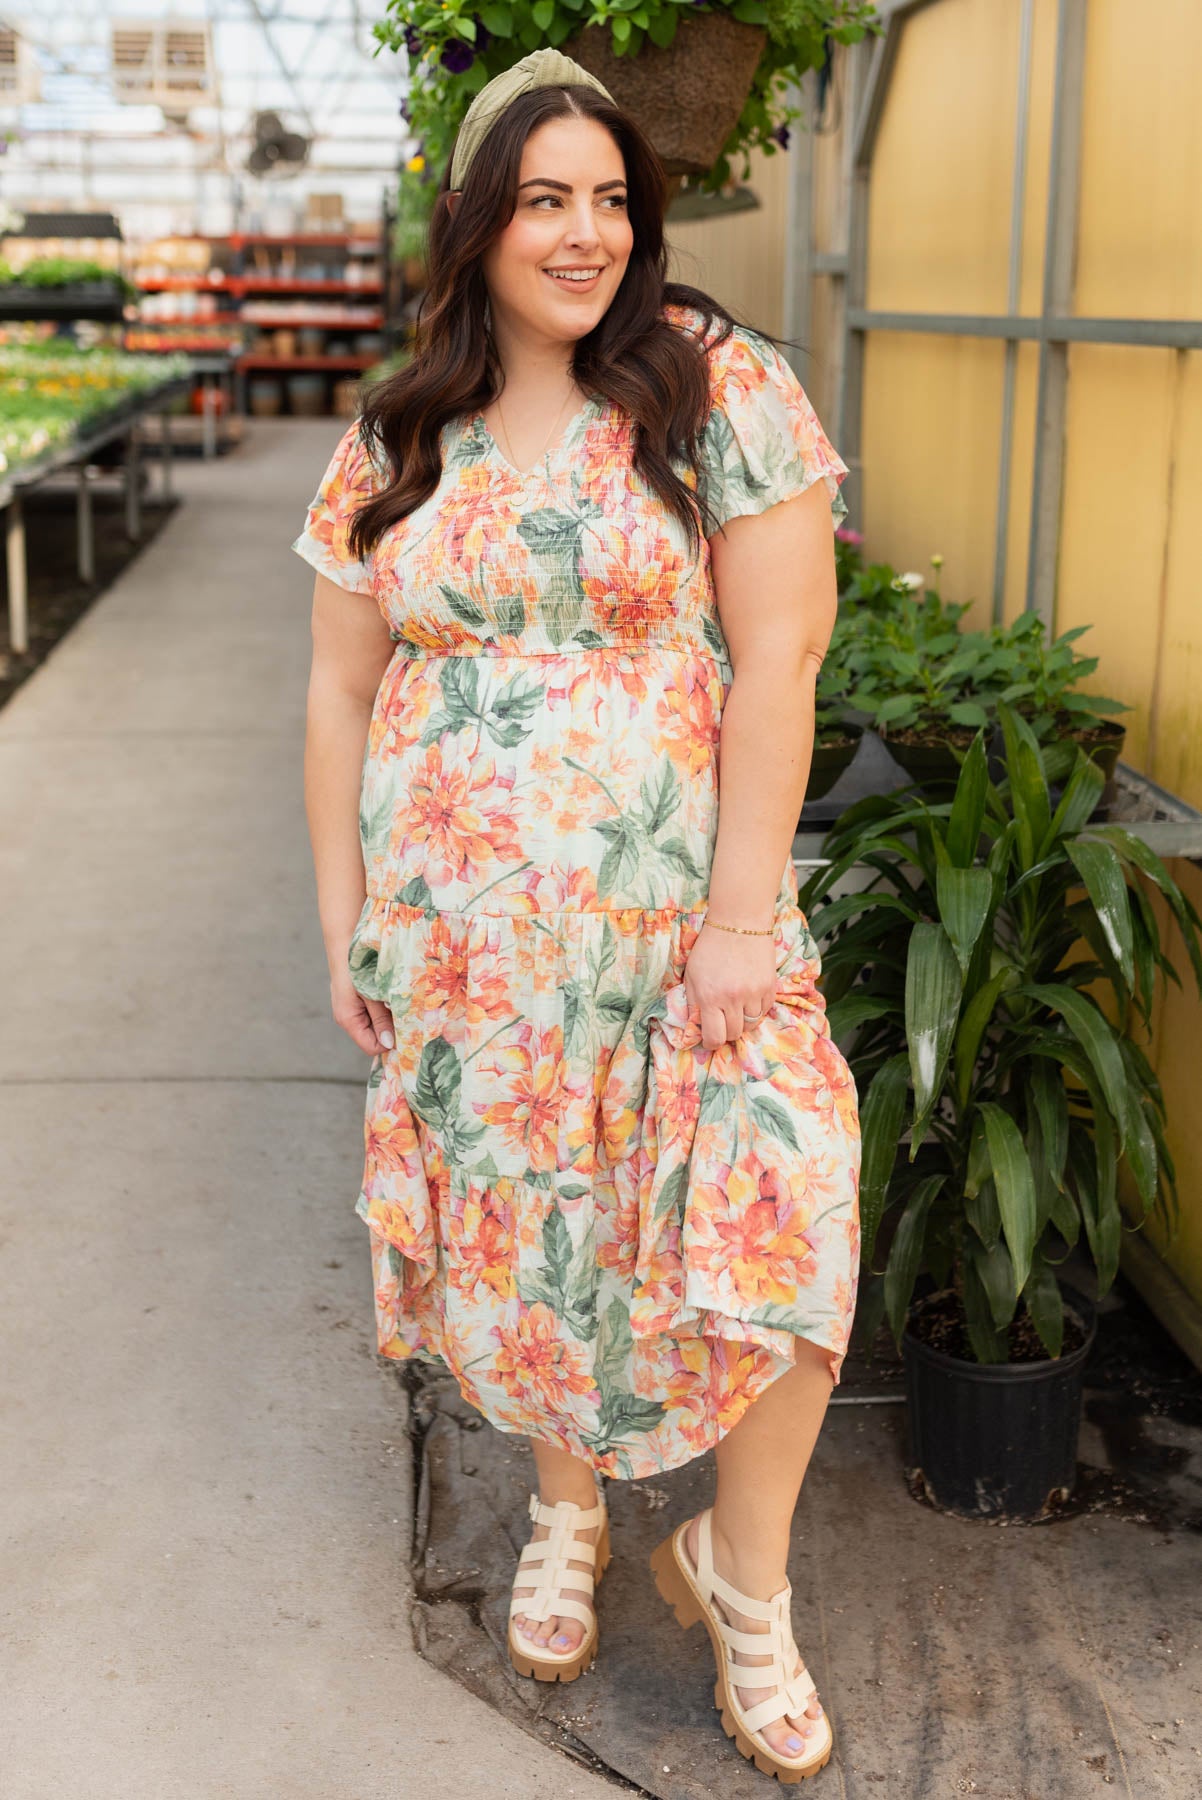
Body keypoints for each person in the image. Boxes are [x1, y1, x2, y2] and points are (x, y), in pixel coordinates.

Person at [294, 47, 861, 1784]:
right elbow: (336, 697)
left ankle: (739, 1583)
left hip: (690, 936)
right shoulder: (401, 432)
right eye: (543, 197)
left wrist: (740, 923)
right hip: (468, 955)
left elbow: (782, 655)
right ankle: (567, 1513)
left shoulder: (711, 383)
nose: (586, 230)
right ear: (475, 222)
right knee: (536, 1248)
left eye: (609, 197)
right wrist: (345, 933)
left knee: (785, 1221)